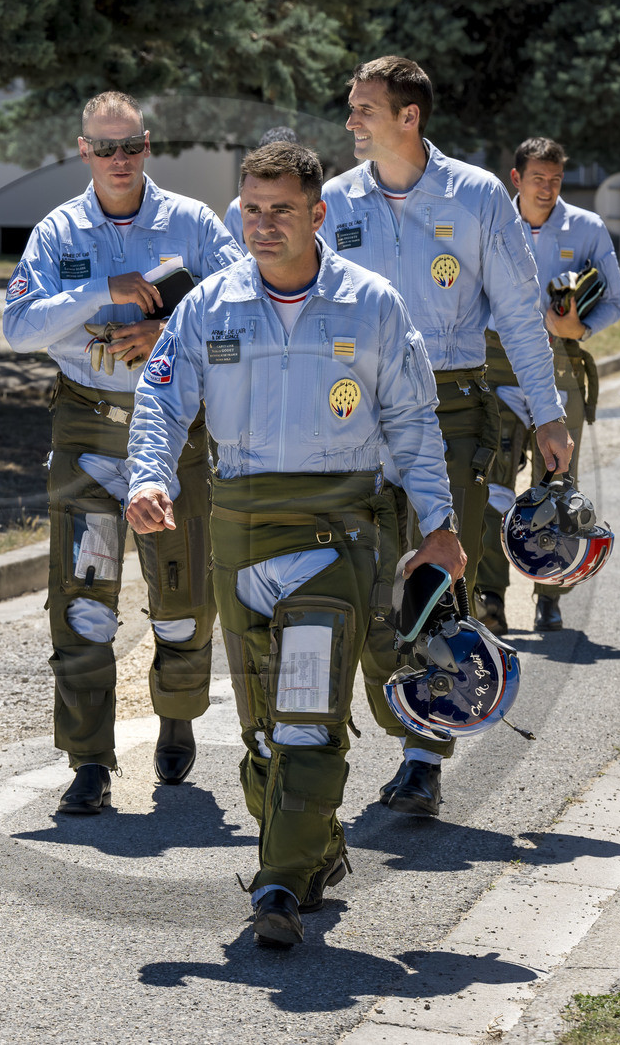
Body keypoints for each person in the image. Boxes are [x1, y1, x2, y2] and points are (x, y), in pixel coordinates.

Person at [127, 141, 464, 948]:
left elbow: (414, 423)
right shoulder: (210, 304)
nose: (264, 224)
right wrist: (150, 476)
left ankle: (276, 883)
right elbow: (161, 398)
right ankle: (313, 848)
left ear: (319, 214)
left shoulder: (373, 304)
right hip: (240, 530)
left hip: (336, 533)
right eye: (251, 208)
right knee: (263, 731)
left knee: (308, 712)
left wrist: (440, 523)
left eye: (282, 209)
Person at [319, 56, 571, 818]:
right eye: (353, 107)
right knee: (369, 585)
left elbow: (522, 311)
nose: (352, 120)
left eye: (366, 108)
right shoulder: (333, 200)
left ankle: (425, 755)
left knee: (436, 576)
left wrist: (549, 409)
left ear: (409, 117)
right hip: (354, 413)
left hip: (451, 407)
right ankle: (410, 714)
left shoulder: (475, 195)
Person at [2, 91, 242, 813]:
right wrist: (98, 289)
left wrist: (169, 327)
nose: (118, 160)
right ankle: (87, 760)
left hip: (171, 430)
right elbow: (18, 325)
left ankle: (175, 713)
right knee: (83, 603)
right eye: (103, 149)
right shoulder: (58, 230)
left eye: (130, 146)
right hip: (87, 433)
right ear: (83, 151)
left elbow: (242, 300)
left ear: (148, 145)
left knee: (181, 595)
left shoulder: (192, 223)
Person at [477, 137, 620, 634]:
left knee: (556, 485)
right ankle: (489, 595)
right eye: (538, 178)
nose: (548, 188)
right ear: (516, 179)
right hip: (497, 365)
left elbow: (615, 299)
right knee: (492, 484)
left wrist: (578, 330)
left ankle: (550, 594)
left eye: (556, 179)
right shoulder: (491, 221)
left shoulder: (586, 228)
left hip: (561, 366)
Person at [224, 126, 300, 247]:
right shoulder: (236, 210)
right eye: (254, 211)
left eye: (282, 211)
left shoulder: (311, 204)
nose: (264, 229)